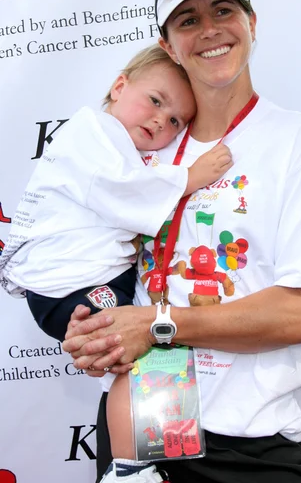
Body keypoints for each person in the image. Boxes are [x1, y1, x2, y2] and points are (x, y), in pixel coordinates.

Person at [63, 0, 301, 483]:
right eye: (188, 20)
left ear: (252, 24)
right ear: (167, 44)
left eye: (223, 10)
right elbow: (88, 259)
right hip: (144, 429)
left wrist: (158, 327)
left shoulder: (299, 138)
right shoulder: (143, 145)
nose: (209, 30)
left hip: (250, 441)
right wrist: (92, 325)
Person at [0, 43, 233, 483]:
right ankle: (130, 469)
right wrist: (191, 176)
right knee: (144, 341)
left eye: (175, 121)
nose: (159, 121)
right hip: (71, 283)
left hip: (92, 275)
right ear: (119, 86)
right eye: (156, 101)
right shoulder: (92, 131)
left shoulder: (117, 143)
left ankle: (165, 454)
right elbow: (122, 191)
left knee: (159, 333)